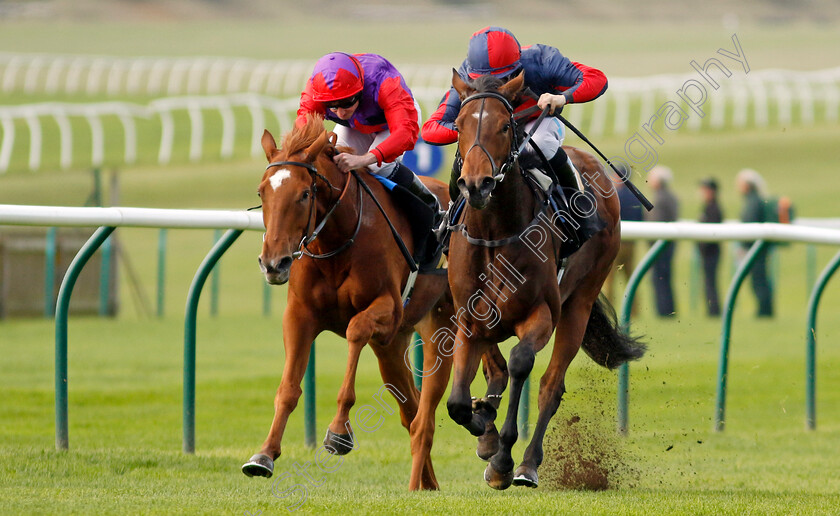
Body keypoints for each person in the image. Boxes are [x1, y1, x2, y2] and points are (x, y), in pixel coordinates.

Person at [421, 26, 608, 241]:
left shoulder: (542, 61)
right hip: (494, 136)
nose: (491, 84)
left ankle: (578, 206)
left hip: (536, 123)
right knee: (465, 158)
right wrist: (476, 129)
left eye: (501, 78)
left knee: (542, 143)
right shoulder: (466, 77)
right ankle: (451, 220)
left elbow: (596, 78)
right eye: (483, 80)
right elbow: (430, 130)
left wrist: (561, 98)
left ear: (517, 67)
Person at [297, 52, 443, 252]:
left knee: (376, 166)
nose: (339, 112)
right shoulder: (317, 86)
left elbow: (404, 133)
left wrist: (364, 159)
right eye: (333, 106)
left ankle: (430, 204)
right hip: (356, 124)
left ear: (360, 90)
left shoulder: (384, 81)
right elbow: (304, 126)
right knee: (334, 165)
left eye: (347, 102)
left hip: (393, 122)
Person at [604, 165, 643, 315]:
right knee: (631, 279)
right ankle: (634, 312)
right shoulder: (636, 195)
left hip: (615, 243)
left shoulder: (614, 195)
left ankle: (609, 312)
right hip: (632, 244)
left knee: (609, 281)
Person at [736, 168, 773, 317]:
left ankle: (764, 311)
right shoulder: (755, 199)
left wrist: (743, 246)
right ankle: (765, 310)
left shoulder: (753, 201)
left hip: (755, 248)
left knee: (759, 280)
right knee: (760, 279)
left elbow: (749, 225)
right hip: (758, 246)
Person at [645, 165, 679, 317]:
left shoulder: (660, 198)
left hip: (659, 245)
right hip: (668, 244)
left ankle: (663, 311)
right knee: (666, 277)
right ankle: (669, 310)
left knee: (659, 278)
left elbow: (655, 223)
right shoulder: (670, 196)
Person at [697, 177, 723, 316]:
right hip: (708, 253)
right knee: (709, 283)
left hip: (711, 253)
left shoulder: (713, 208)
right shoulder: (709, 207)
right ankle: (712, 310)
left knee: (710, 283)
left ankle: (714, 311)